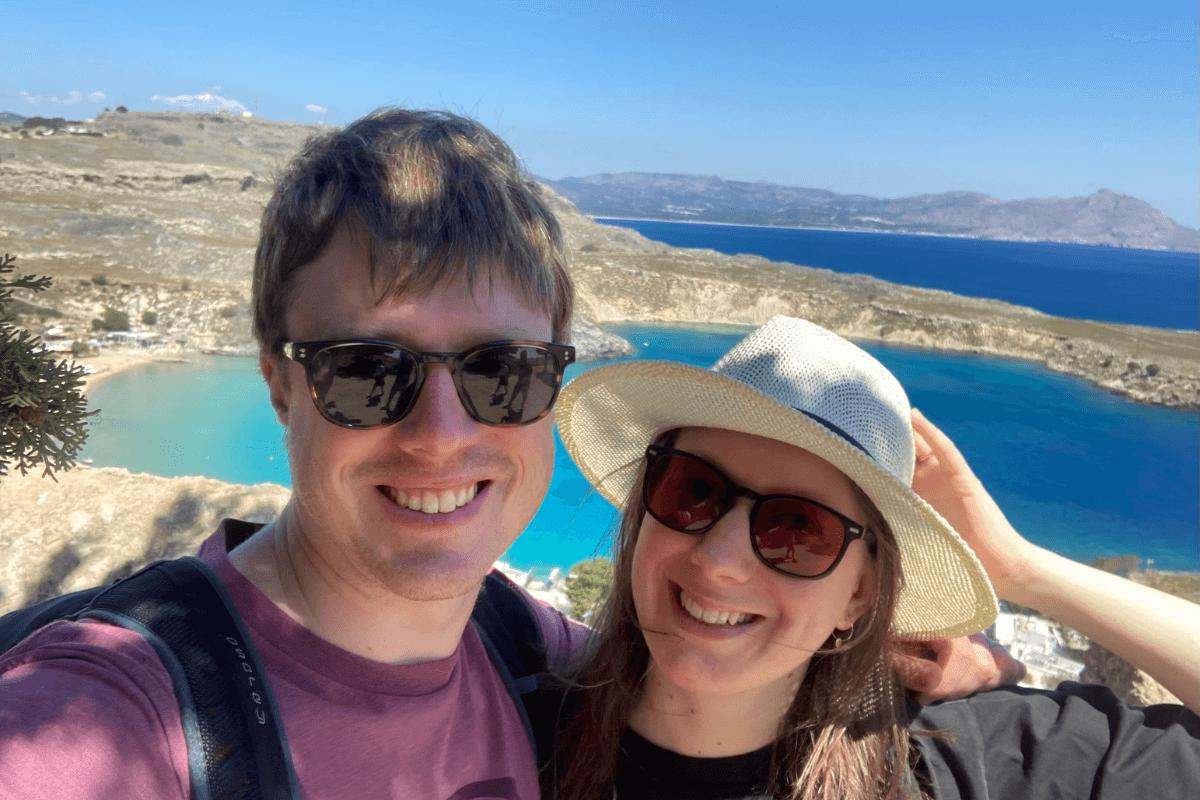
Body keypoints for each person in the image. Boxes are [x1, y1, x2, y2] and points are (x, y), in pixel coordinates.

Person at [0, 111, 1018, 799]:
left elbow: (692, 653)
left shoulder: (513, 640)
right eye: (368, 370)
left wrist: (884, 646)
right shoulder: (117, 711)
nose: (443, 434)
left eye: (503, 372)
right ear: (281, 379)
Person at [548, 315, 1200, 799]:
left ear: (861, 595)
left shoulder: (965, 763)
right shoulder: (504, 728)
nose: (720, 560)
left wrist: (1019, 568)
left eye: (798, 529)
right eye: (692, 491)